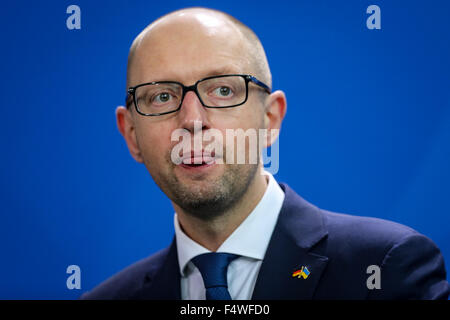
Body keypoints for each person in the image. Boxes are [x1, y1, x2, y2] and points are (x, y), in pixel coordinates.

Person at [80, 7, 449, 300]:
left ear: (270, 119)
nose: (191, 121)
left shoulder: (385, 267)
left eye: (223, 90)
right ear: (131, 135)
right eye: (161, 96)